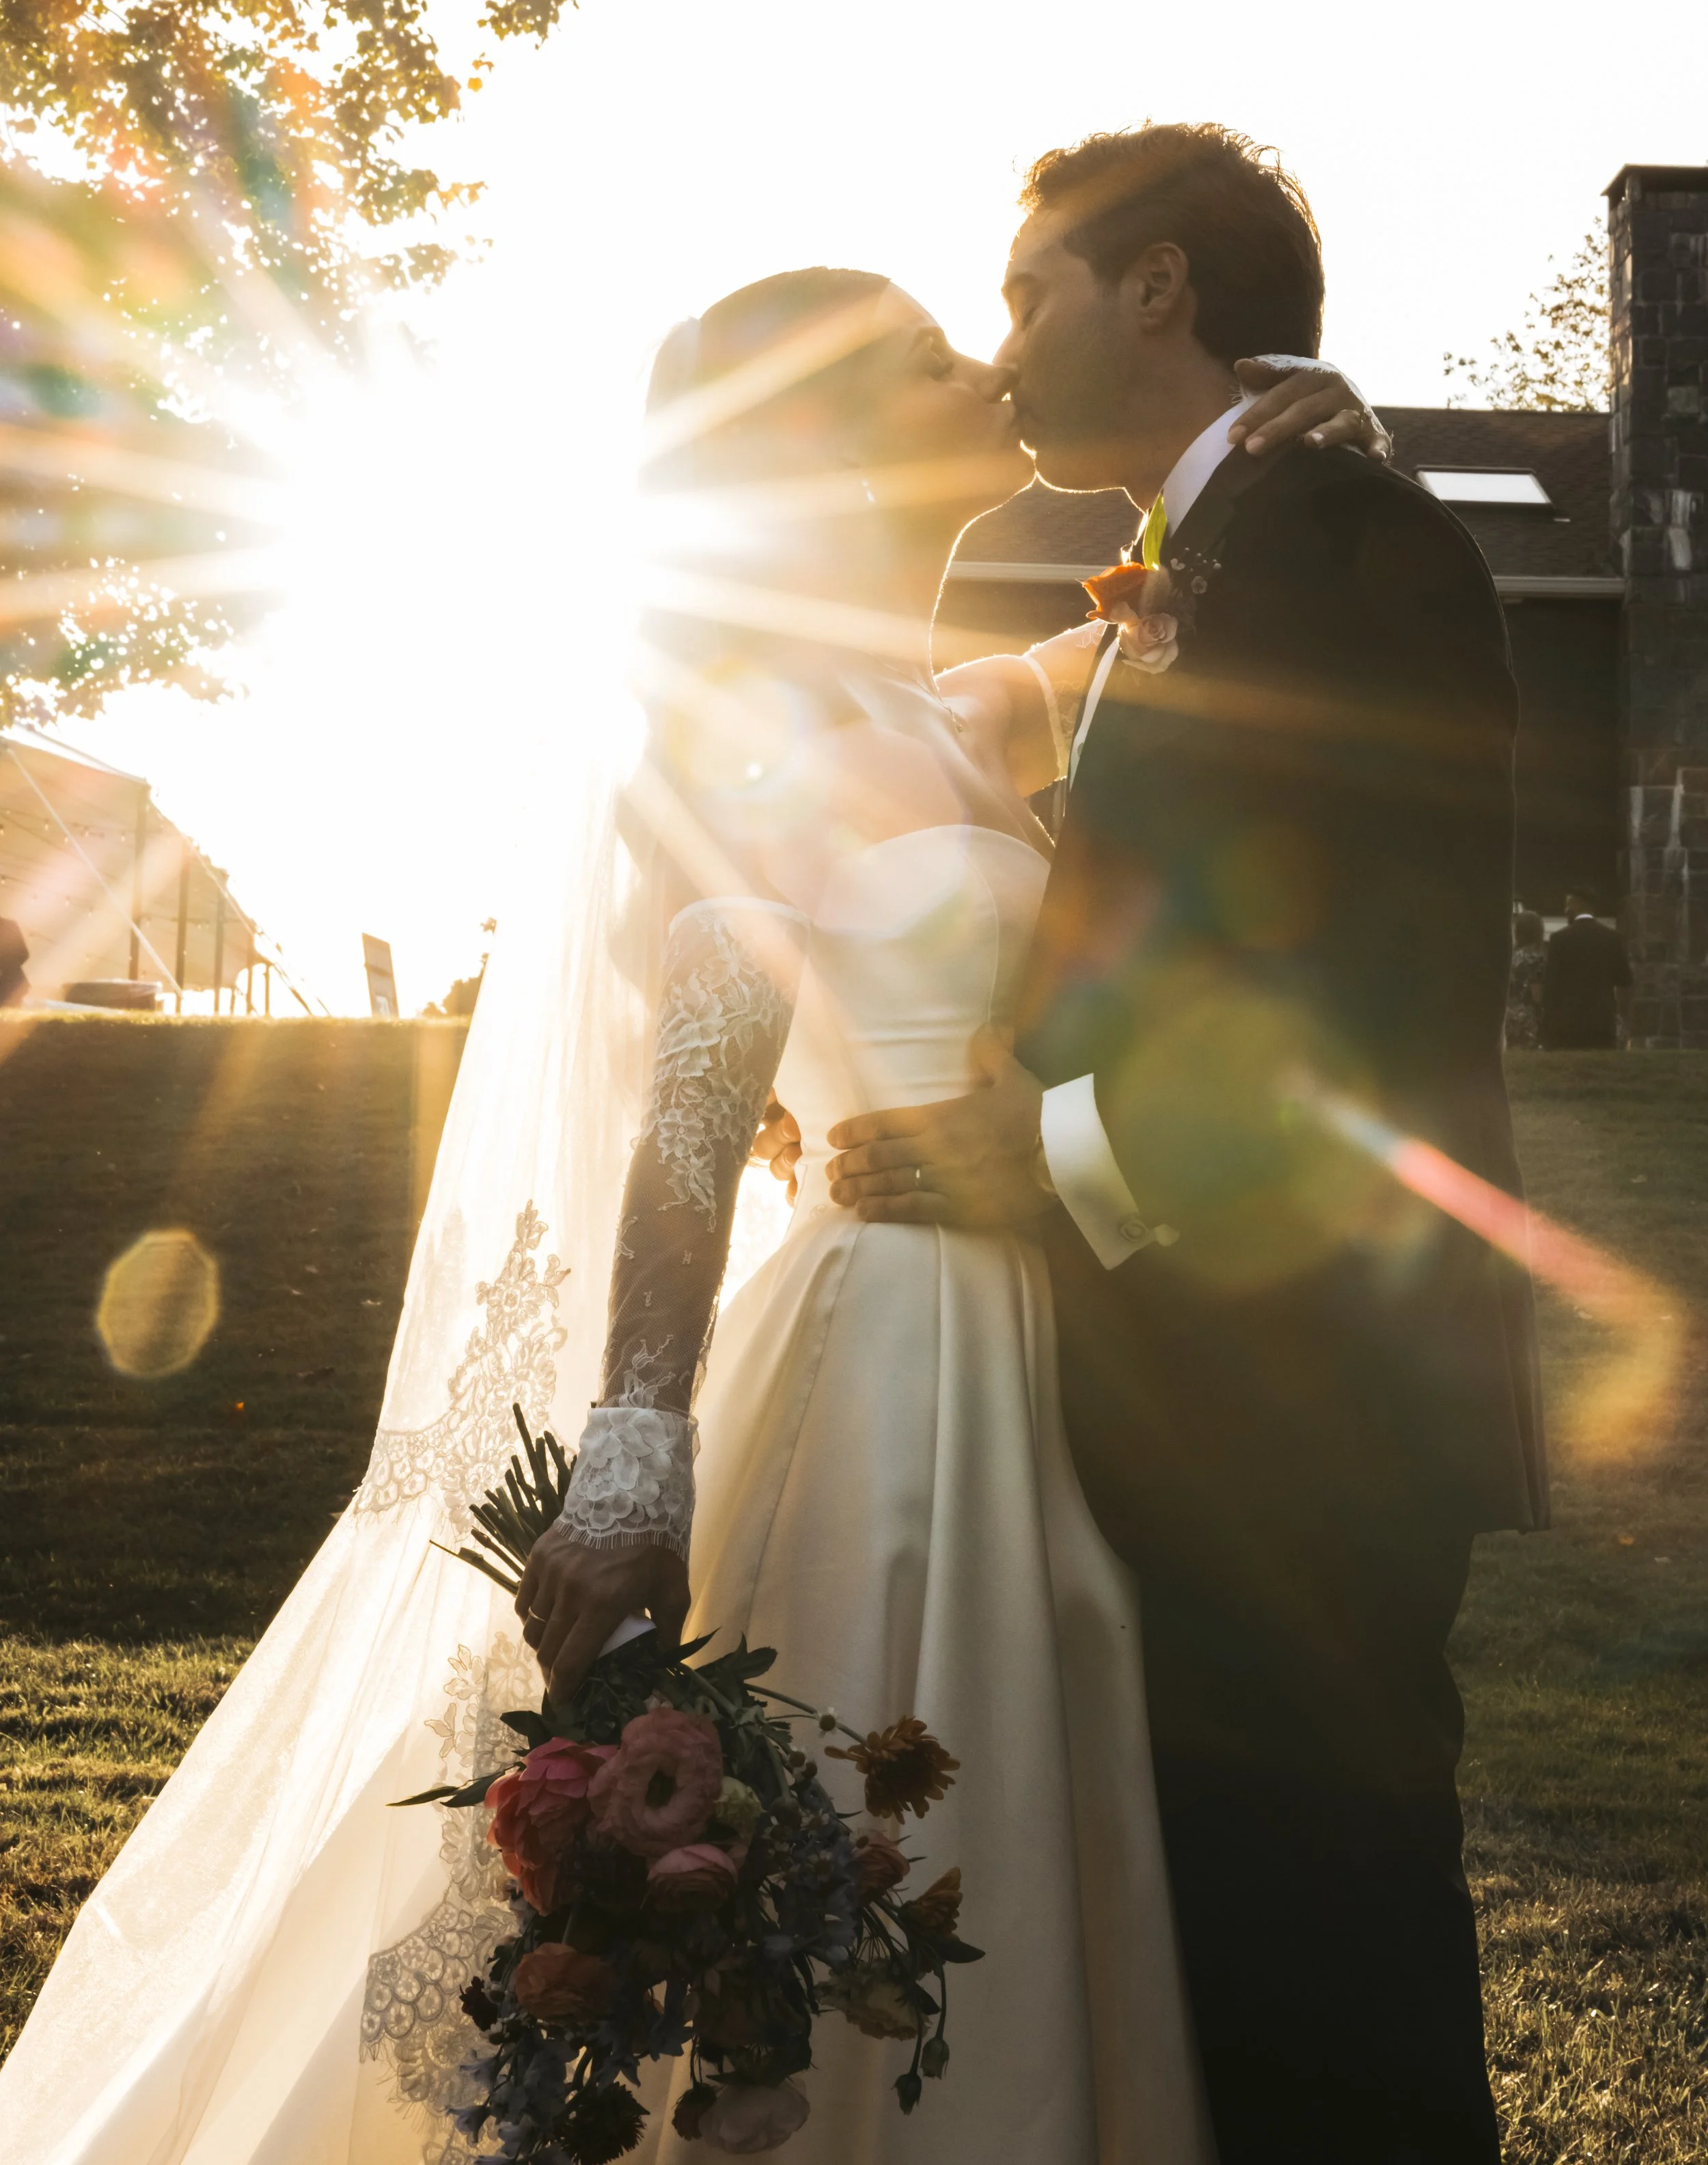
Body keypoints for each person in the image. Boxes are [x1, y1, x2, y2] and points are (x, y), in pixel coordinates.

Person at [0, 243, 1381, 2162]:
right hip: (883, 1354)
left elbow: (1207, 605)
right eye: (918, 361)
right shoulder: (737, 728)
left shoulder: (970, 712)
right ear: (814, 446)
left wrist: (1308, 425)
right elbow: (695, 1110)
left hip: (1057, 1348)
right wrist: (639, 1434)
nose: (978, 367)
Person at [823, 126, 1547, 2164]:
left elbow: (1376, 986)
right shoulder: (1216, 551)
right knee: (1230, 1944)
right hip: (1201, 1373)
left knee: (1326, 1958)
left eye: (1024, 290)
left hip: (1299, 1384)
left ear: (1156, 287)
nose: (1000, 344)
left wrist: (1051, 1146)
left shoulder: (1344, 544)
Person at [1540, 888, 1631, 1050]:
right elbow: (1625, 979)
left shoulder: (1559, 939)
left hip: (1568, 1024)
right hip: (1602, 1021)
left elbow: (1550, 985)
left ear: (1578, 905)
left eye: (1568, 905)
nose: (1565, 910)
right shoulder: (1612, 938)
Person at [1505, 909, 1547, 1051]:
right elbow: (1537, 996)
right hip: (1528, 1017)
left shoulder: (1511, 957)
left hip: (1509, 1015)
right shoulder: (1535, 959)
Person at [0, 916, 27, 1008]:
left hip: (11, 986)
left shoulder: (9, 926)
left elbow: (23, 954)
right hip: (14, 985)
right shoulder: (10, 925)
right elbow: (24, 954)